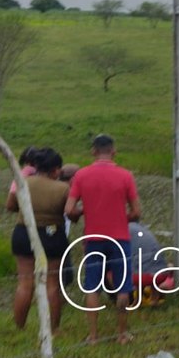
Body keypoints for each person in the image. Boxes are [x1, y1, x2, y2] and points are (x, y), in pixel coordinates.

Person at [65, 134, 141, 344]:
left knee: (92, 286)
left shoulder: (81, 176)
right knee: (123, 287)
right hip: (120, 239)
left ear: (93, 152)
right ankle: (122, 333)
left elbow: (69, 209)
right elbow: (136, 212)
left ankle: (93, 335)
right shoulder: (126, 176)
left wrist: (83, 212)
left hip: (93, 238)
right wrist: (120, 216)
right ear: (113, 151)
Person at [6, 147, 69, 335]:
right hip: (52, 235)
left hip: (23, 234)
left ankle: (19, 327)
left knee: (24, 284)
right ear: (56, 169)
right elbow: (70, 212)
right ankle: (53, 329)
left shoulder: (22, 181)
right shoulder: (63, 188)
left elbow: (10, 206)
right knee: (52, 284)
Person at [129, 221, 174, 306]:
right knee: (150, 264)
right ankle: (154, 300)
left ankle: (137, 300)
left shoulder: (127, 231)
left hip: (143, 277)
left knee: (137, 267)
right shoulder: (142, 229)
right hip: (162, 275)